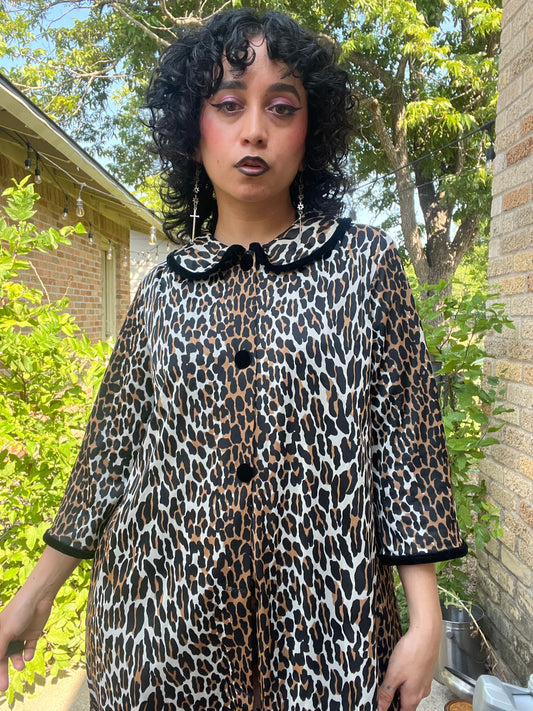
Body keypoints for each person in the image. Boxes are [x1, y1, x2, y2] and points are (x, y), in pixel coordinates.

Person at [0, 8, 467, 711]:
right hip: (160, 631)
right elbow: (108, 452)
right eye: (228, 104)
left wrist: (424, 620)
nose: (254, 130)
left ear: (311, 131)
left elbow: (408, 445)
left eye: (282, 107)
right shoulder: (162, 291)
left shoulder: (364, 267)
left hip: (325, 636)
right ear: (193, 130)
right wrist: (38, 593)